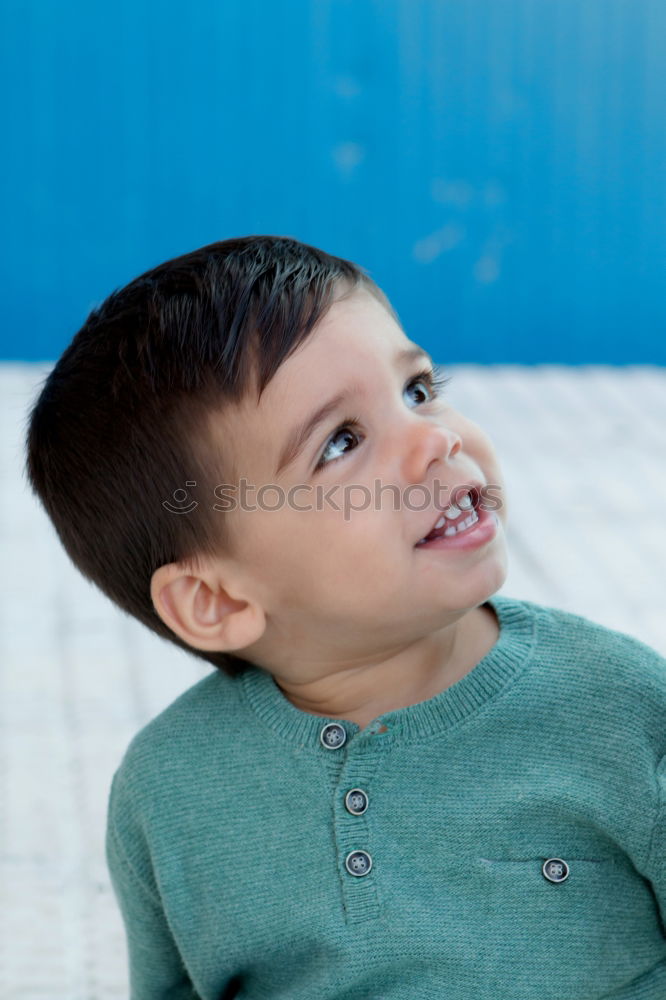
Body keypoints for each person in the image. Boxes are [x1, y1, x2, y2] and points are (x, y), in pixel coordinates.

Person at [25, 235, 666, 999]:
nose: (437, 439)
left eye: (419, 390)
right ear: (219, 601)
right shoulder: (170, 792)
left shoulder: (620, 711)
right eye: (341, 443)